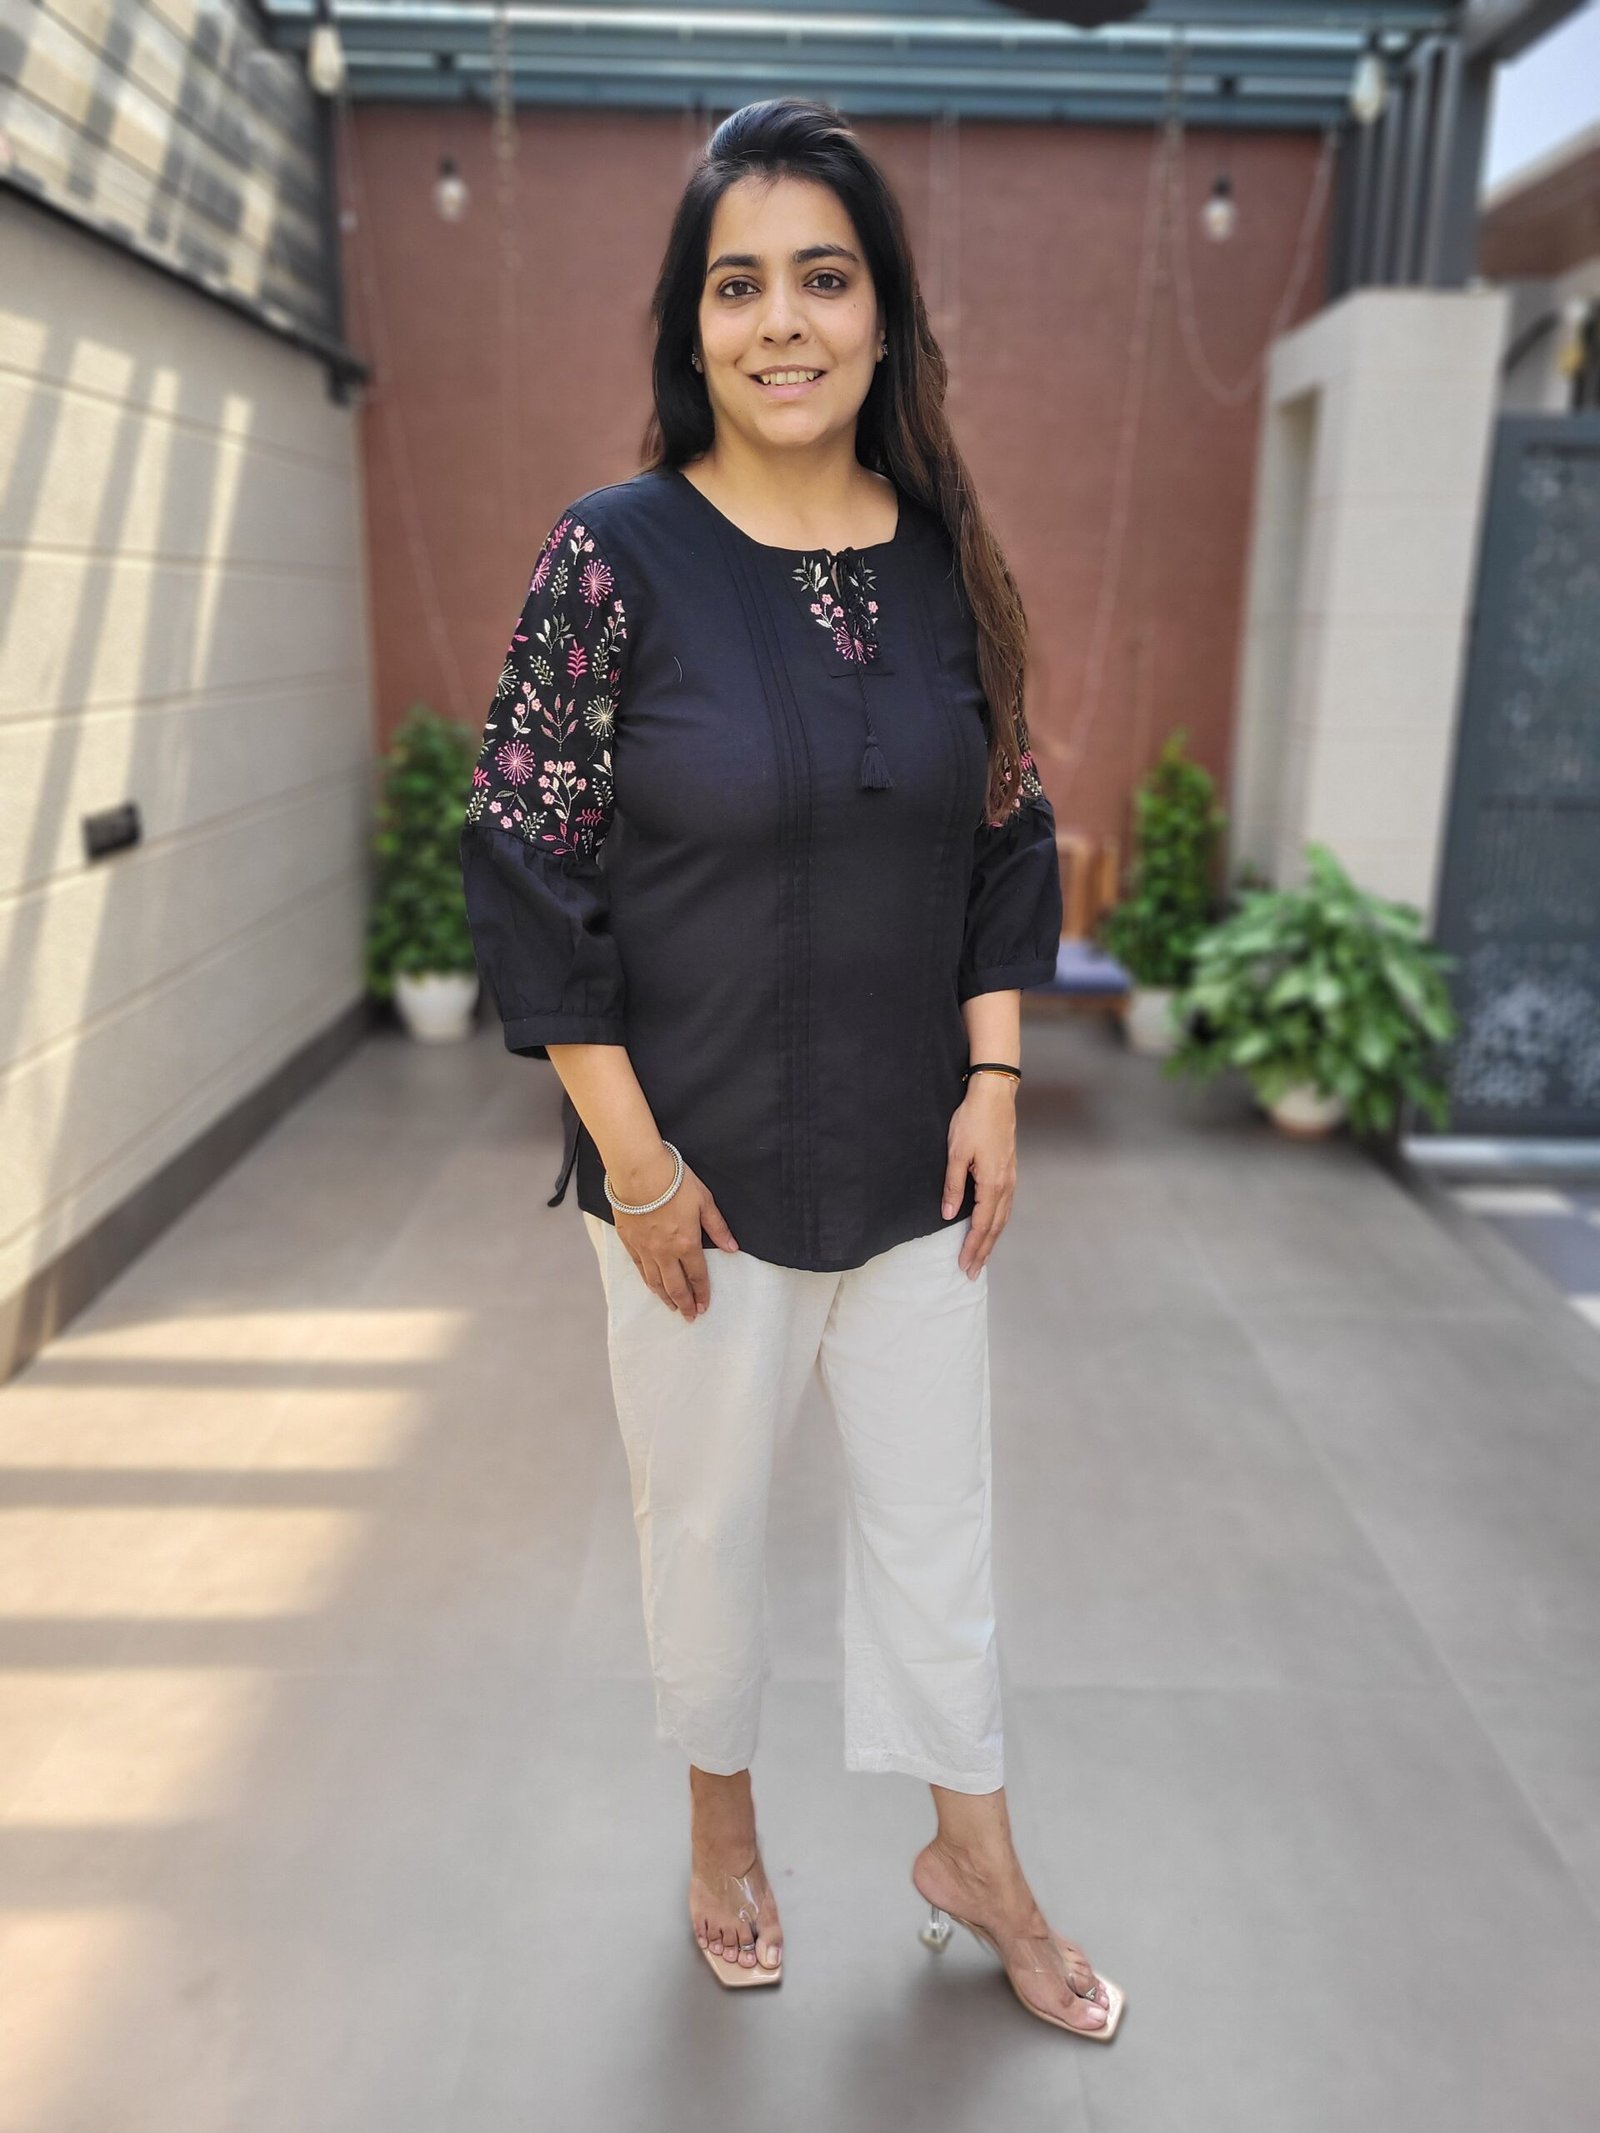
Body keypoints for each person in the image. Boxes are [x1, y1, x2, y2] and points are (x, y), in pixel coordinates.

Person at [458, 96, 1123, 2039]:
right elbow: (526, 858)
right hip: (698, 1179)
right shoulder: (613, 557)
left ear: (880, 311)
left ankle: (976, 1858)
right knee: (707, 1528)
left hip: (916, 1162)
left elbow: (1004, 821)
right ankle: (722, 1827)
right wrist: (635, 1165)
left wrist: (994, 1081)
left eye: (820, 278)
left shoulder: (942, 559)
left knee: (938, 1531)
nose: (781, 323)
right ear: (692, 323)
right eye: (736, 284)